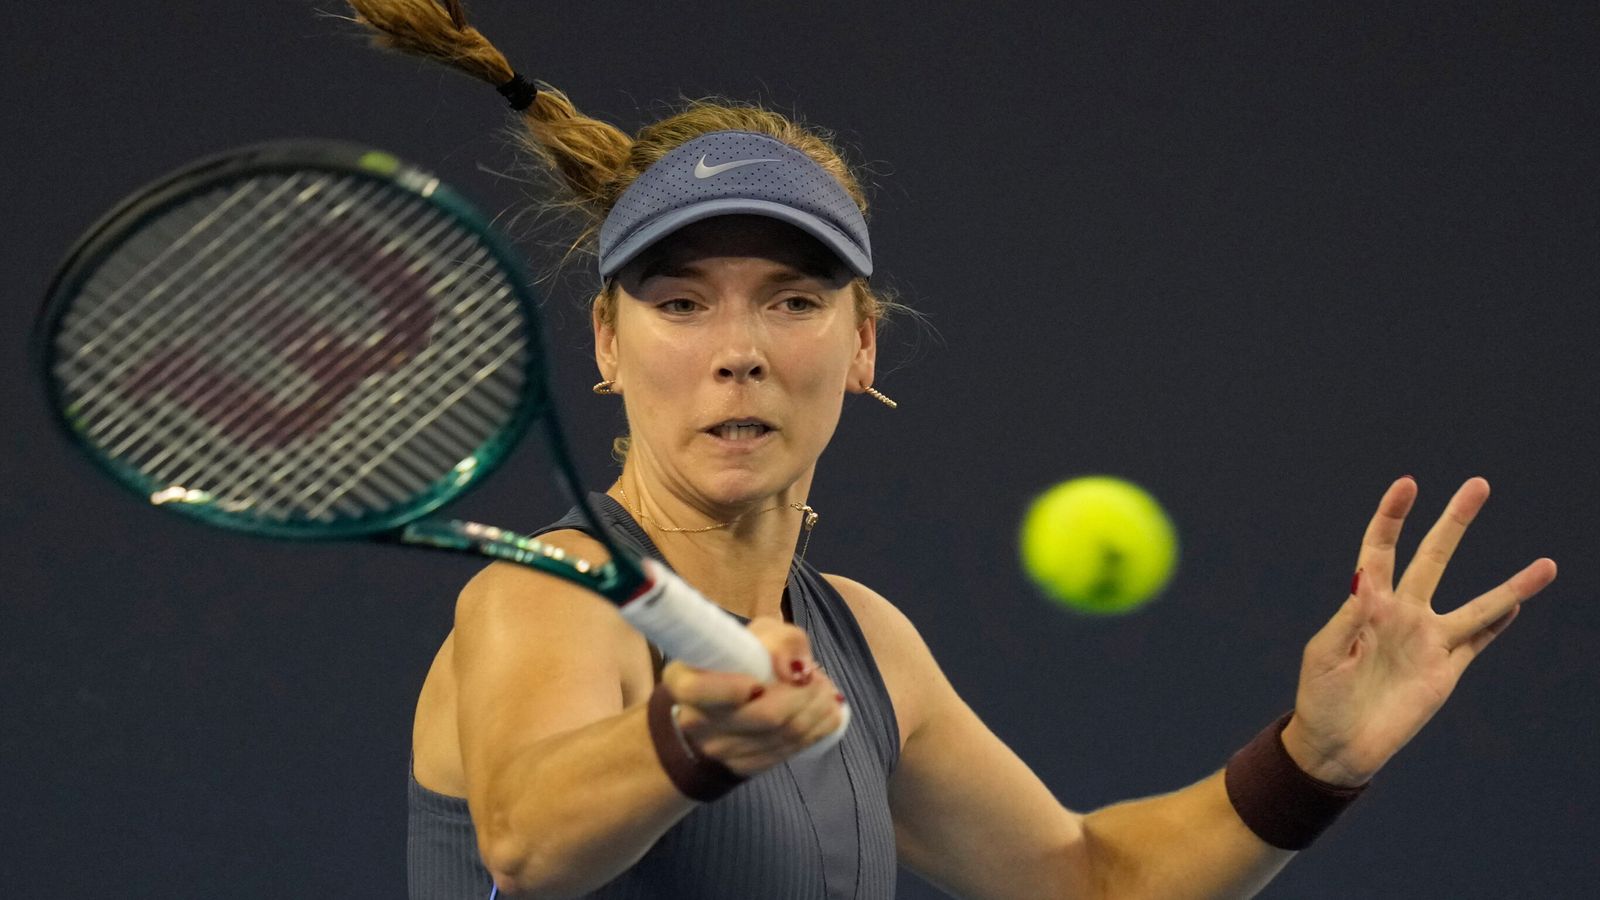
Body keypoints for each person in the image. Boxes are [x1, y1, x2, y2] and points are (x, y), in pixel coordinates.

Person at [344, 3, 1560, 898]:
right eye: (678, 303)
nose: (737, 352)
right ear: (606, 343)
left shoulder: (869, 650)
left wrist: (1314, 760)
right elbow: (526, 838)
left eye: (791, 299)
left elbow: (1089, 881)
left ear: (862, 345)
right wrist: (690, 738)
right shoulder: (548, 596)